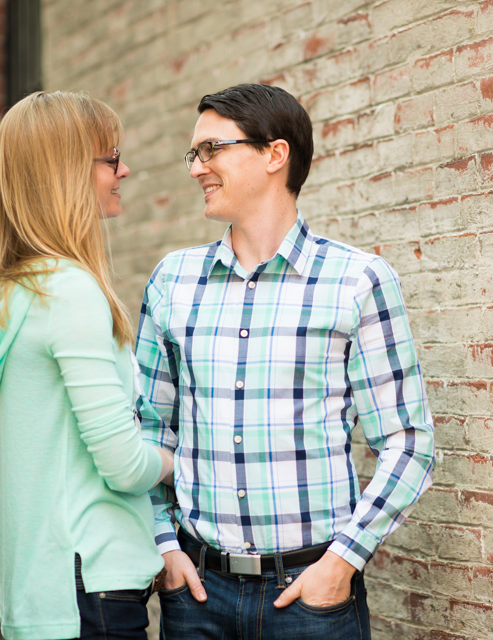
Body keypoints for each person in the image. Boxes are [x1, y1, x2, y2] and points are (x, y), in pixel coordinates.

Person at [136, 83, 436, 640]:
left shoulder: (357, 282)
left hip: (312, 597)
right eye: (194, 153)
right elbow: (151, 429)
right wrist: (164, 544)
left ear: (275, 155)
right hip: (196, 594)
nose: (197, 167)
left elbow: (409, 441)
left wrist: (342, 562)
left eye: (212, 150)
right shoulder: (172, 282)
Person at [0, 91, 174, 640]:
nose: (124, 169)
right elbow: (123, 465)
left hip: (38, 587)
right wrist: (177, 458)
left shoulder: (13, 292)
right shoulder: (73, 292)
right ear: (68, 173)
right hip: (91, 583)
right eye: (110, 158)